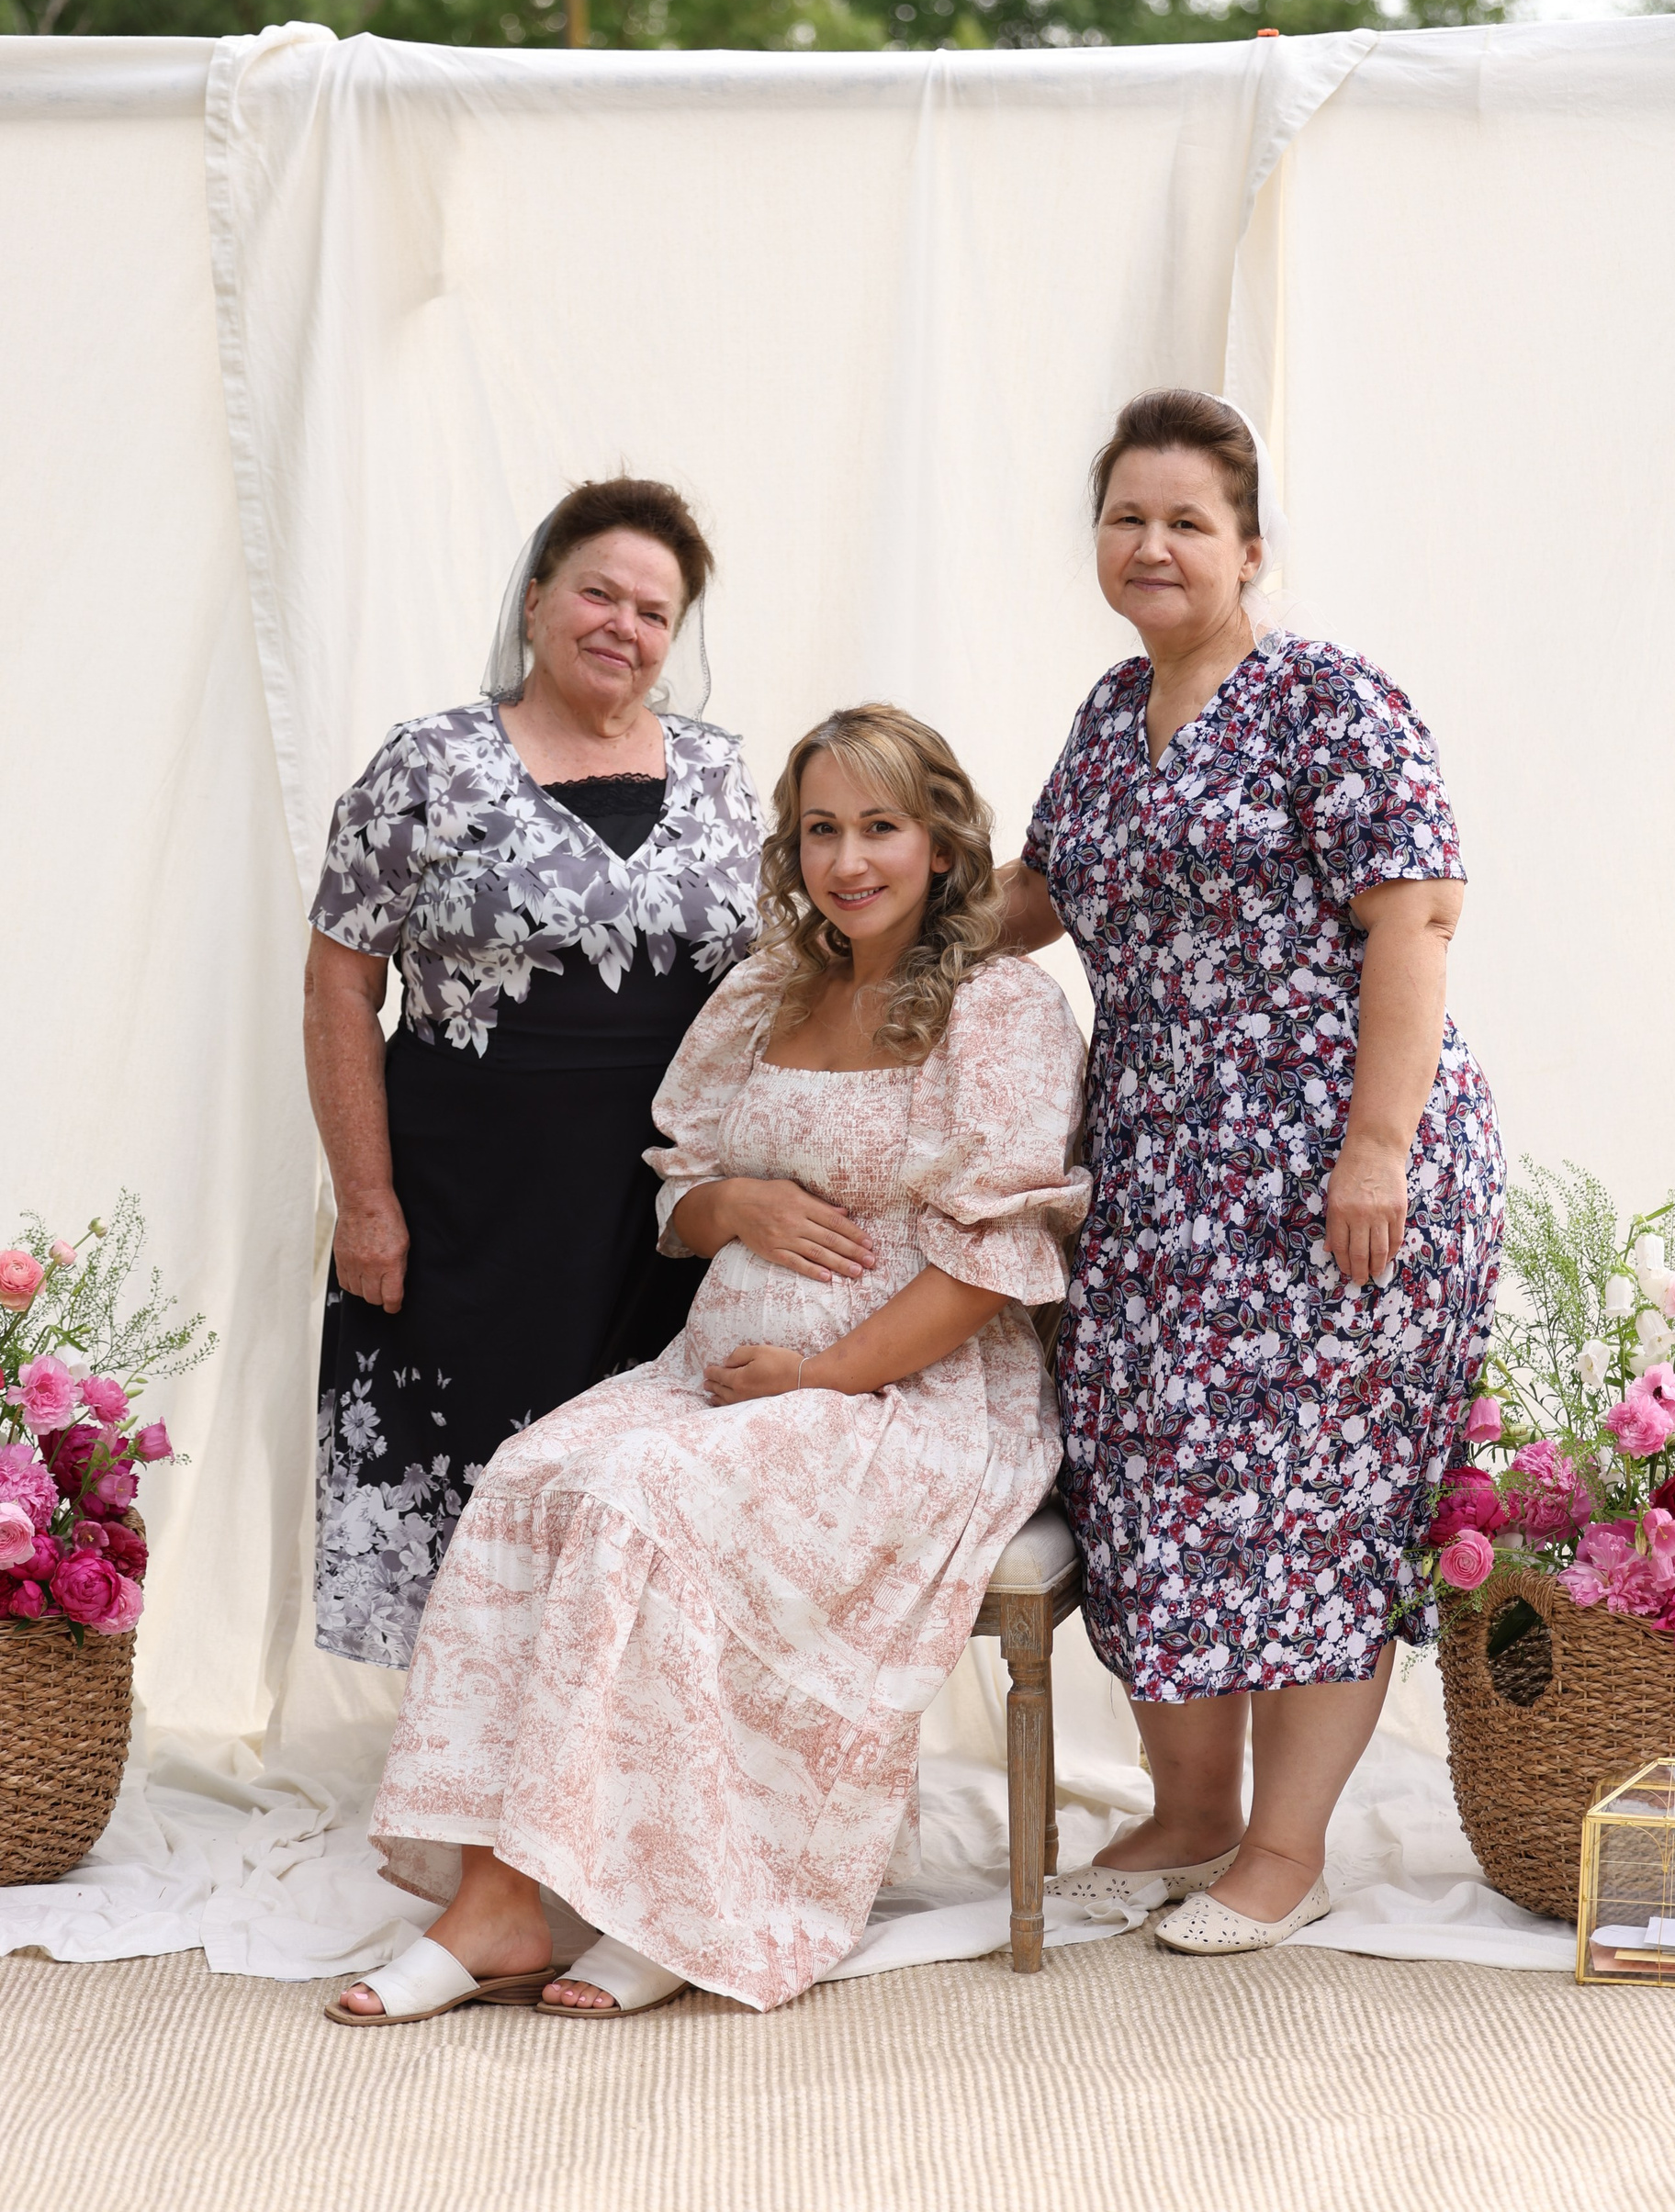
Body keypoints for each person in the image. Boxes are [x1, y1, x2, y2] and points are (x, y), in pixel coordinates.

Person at [327, 704, 1088, 2024]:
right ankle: (502, 1902)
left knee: (643, 1501)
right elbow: (678, 1197)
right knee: (530, 1477)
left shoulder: (1000, 1008)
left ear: (943, 844)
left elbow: (991, 1267)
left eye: (881, 828)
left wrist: (821, 1377)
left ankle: (676, 1900)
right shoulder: (765, 990)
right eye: (821, 831)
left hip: (912, 1394)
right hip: (718, 1374)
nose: (848, 861)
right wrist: (732, 1204)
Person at [1011, 387, 1504, 1956]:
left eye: (1188, 520)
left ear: (1251, 549)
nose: (1152, 544)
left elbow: (1415, 919)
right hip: (1161, 1172)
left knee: (1317, 1497)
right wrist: (868, 915)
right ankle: (1190, 1811)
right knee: (1151, 1475)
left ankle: (1285, 1848)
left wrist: (1377, 1152)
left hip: (1335, 1165)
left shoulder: (1326, 700)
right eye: (1127, 516)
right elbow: (1037, 893)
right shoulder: (1110, 712)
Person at [303, 477, 762, 1669]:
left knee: (629, 1488)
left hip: (659, 1214)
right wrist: (366, 1201)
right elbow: (340, 987)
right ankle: (460, 1765)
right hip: (466, 1208)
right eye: (600, 594)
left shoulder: (723, 774)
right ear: (539, 597)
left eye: (654, 612)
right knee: (469, 1475)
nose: (624, 626)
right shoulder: (428, 764)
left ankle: (595, 1760)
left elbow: (777, 976)